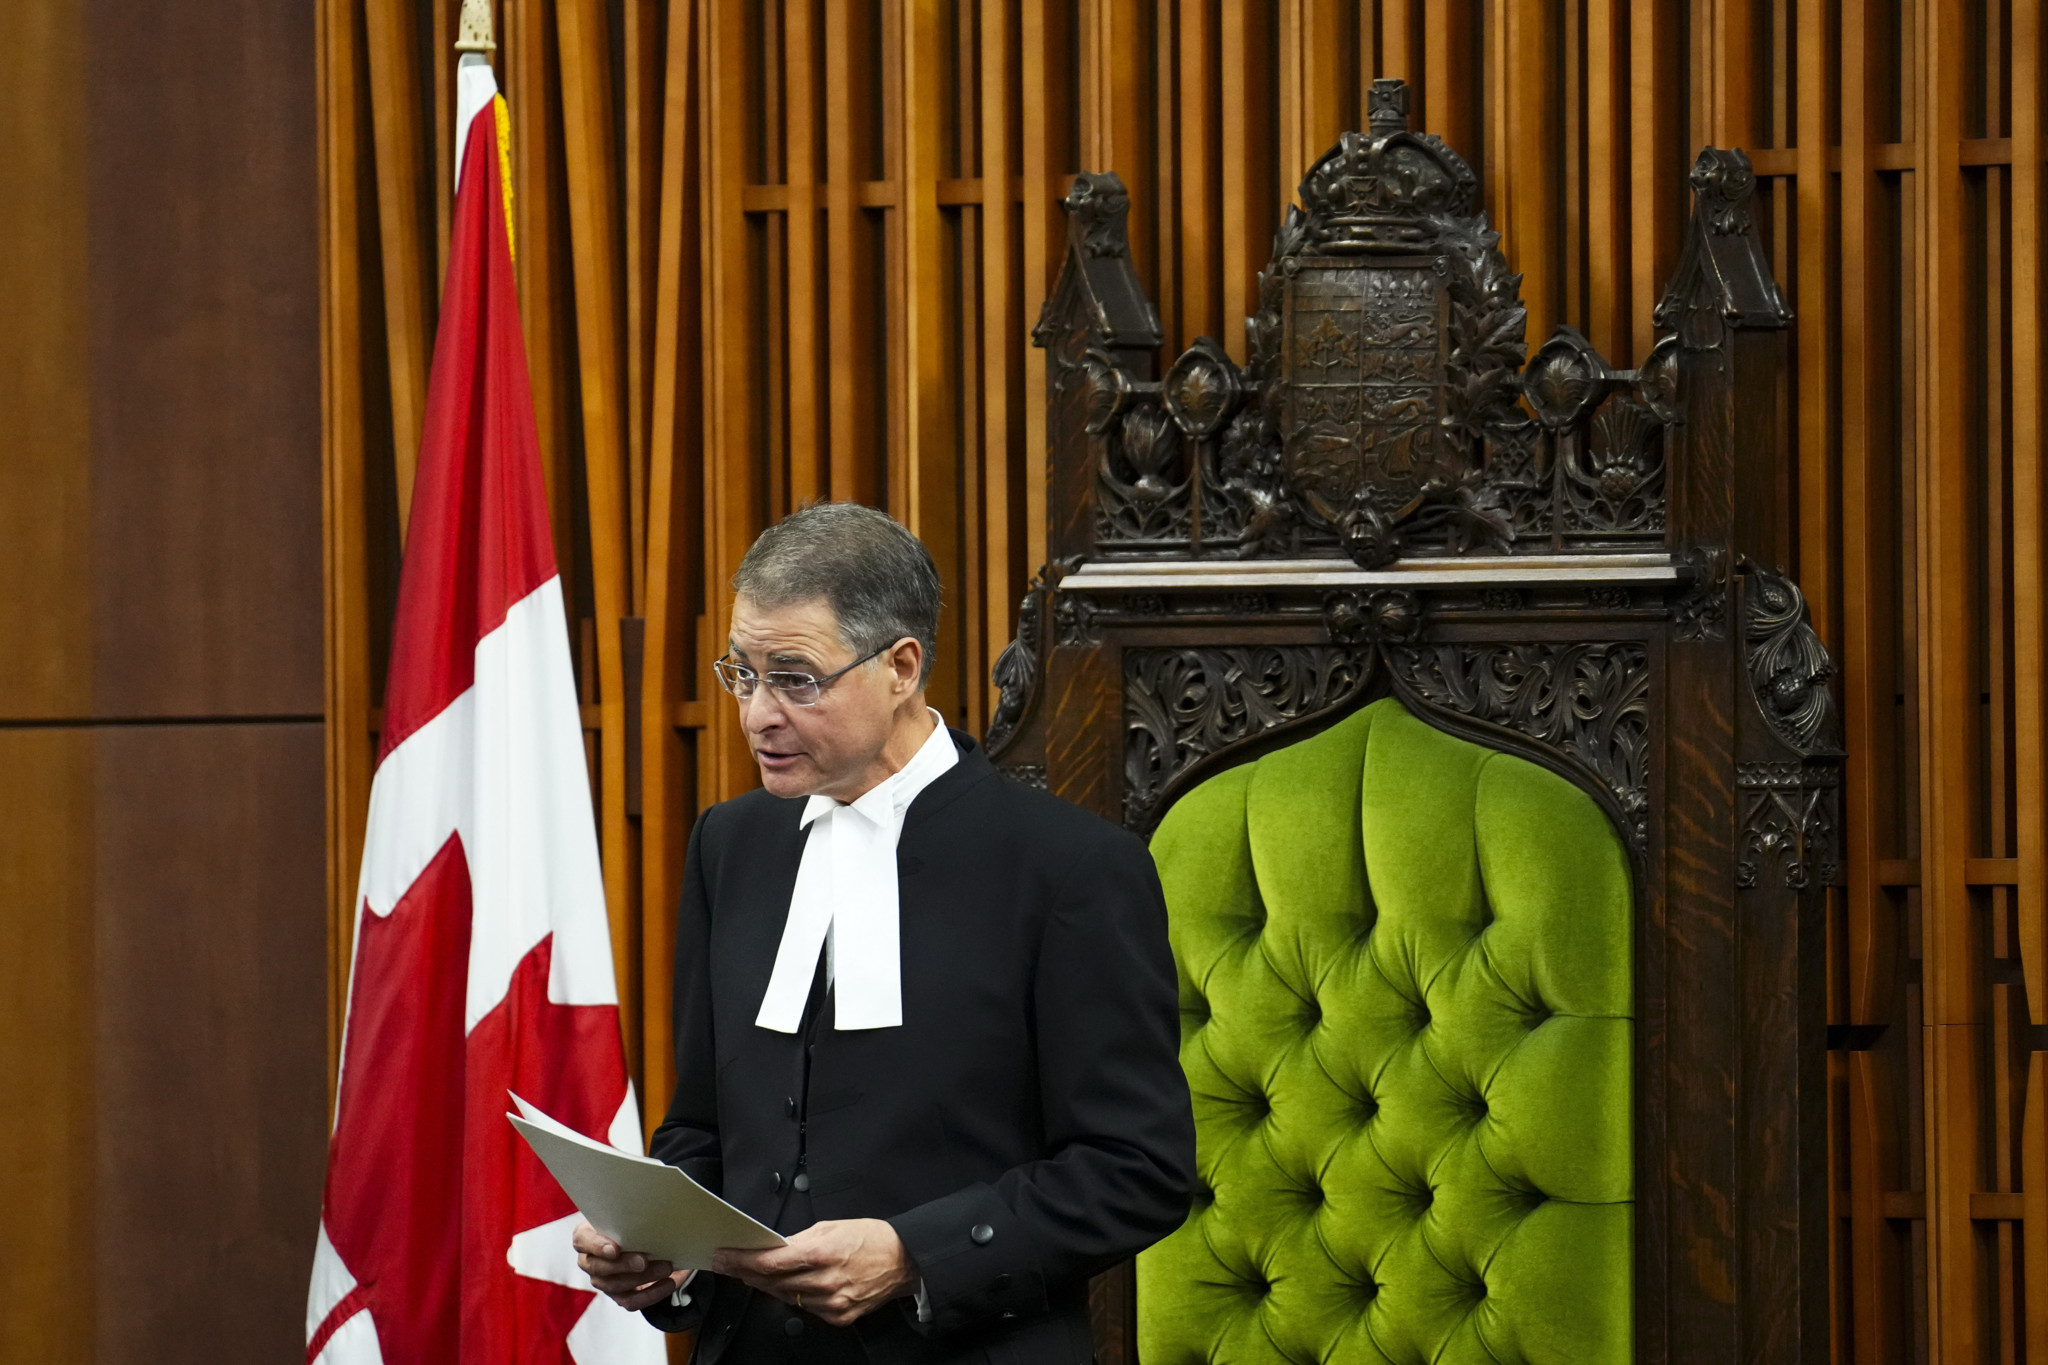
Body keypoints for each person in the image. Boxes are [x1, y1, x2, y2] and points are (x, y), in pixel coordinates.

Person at [573, 503, 1194, 1363]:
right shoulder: (732, 844)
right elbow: (706, 1129)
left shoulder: (1071, 867)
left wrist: (913, 1257)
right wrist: (658, 1248)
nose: (756, 715)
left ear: (902, 666)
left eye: (795, 678)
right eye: (742, 674)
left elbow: (1138, 1172)